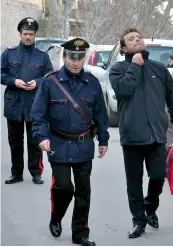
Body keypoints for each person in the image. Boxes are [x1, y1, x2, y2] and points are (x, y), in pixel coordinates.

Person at [30, 38, 109, 246]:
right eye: (72, 57)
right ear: (64, 57)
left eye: (80, 58)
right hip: (58, 144)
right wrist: (42, 137)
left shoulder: (92, 83)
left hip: (83, 144)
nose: (75, 62)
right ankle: (56, 217)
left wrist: (103, 139)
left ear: (84, 58)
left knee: (83, 190)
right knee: (64, 186)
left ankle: (80, 232)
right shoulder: (50, 81)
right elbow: (38, 115)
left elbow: (101, 115)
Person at [109, 28, 173, 238]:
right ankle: (138, 221)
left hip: (157, 135)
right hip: (132, 136)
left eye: (139, 37)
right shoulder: (118, 69)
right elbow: (123, 89)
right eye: (131, 39)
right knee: (133, 183)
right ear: (124, 48)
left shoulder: (159, 69)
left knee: (158, 176)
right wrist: (134, 67)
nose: (137, 40)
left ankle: (150, 208)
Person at [1, 17, 53, 185]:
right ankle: (16, 173)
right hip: (14, 103)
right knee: (15, 141)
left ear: (35, 35)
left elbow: (49, 76)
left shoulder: (42, 56)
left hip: (34, 104)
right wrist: (13, 81)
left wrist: (37, 82)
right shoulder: (9, 53)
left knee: (35, 141)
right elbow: (1, 74)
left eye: (31, 34)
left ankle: (36, 172)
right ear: (20, 34)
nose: (28, 37)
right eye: (25, 34)